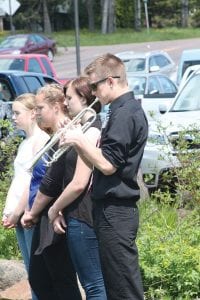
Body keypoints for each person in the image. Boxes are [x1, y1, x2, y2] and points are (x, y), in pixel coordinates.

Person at [59, 53, 148, 300]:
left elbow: (108, 165)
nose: (94, 93)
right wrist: (77, 141)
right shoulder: (120, 111)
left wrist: (79, 140)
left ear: (110, 81)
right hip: (110, 210)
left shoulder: (125, 113)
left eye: (95, 86)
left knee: (124, 288)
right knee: (114, 285)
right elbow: (100, 162)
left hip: (116, 210)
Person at [22, 77, 107, 300]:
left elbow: (77, 182)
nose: (66, 103)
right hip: (67, 213)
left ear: (85, 99)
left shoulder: (91, 131)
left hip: (78, 214)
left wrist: (51, 210)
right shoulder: (78, 129)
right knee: (50, 278)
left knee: (90, 284)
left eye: (69, 98)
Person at [21, 83, 82, 300]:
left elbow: (52, 182)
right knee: (40, 277)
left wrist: (34, 212)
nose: (36, 113)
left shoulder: (67, 136)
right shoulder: (53, 137)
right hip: (44, 214)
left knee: (60, 278)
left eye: (40, 108)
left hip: (54, 214)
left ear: (57, 106)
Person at [2, 93, 50, 300]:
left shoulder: (40, 140)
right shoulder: (25, 142)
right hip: (19, 215)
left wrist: (17, 212)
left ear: (32, 113)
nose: (13, 117)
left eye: (17, 113)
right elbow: (18, 181)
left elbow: (32, 182)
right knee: (32, 273)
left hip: (29, 214)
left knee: (38, 274)